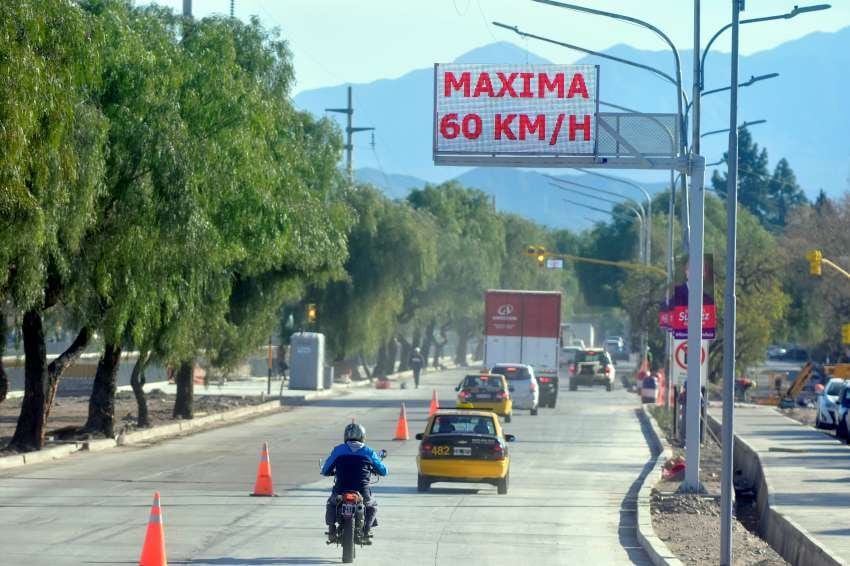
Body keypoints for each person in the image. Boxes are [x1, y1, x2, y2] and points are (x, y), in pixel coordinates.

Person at [321, 423, 388, 544]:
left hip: (341, 489)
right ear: (363, 436)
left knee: (331, 503)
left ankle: (331, 531)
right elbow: (383, 471)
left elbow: (325, 470)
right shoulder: (369, 451)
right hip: (362, 490)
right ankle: (366, 531)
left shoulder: (338, 450)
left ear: (345, 436)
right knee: (372, 506)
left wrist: (328, 472)